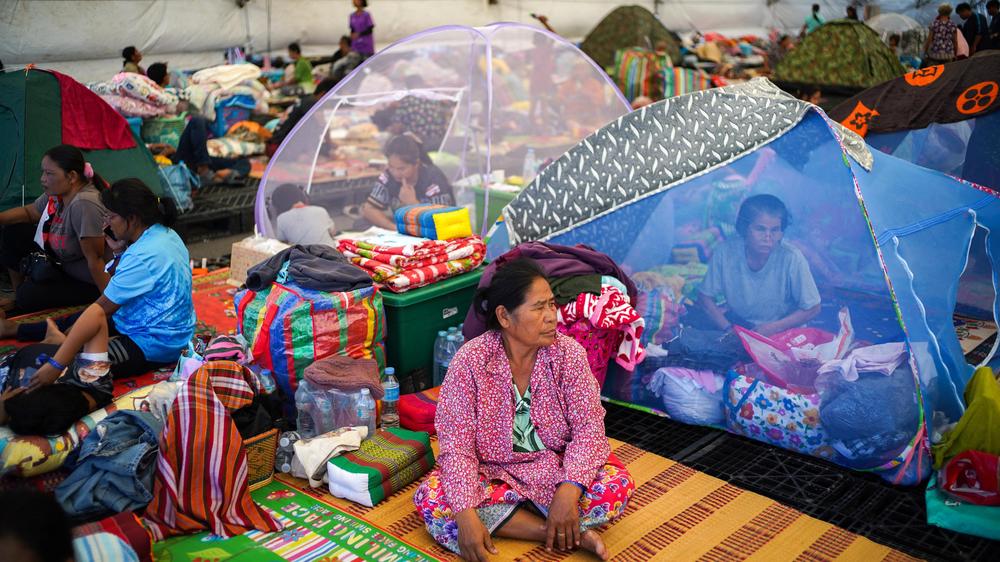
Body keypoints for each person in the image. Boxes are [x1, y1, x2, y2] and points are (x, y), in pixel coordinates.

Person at [413, 258, 635, 561]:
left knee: (615, 487)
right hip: (493, 473)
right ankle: (563, 532)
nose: (551, 317)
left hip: (554, 468)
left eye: (552, 305)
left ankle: (525, 518)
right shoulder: (471, 361)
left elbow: (590, 429)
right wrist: (465, 516)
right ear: (504, 316)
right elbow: (456, 446)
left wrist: (569, 491)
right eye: (539, 307)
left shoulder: (568, 354)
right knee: (435, 501)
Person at [0, 179, 194, 435]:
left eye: (112, 216)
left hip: (156, 342)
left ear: (132, 218)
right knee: (74, 323)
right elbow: (102, 306)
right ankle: (16, 329)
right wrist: (117, 252)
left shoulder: (144, 254)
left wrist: (59, 360)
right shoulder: (163, 233)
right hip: (143, 318)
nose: (107, 223)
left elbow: (100, 310)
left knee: (83, 367)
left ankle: (55, 342)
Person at [0, 145, 109, 313]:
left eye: (49, 174)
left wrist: (109, 306)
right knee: (13, 233)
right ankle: (19, 295)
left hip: (88, 282)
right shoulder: (58, 194)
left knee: (28, 296)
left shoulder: (84, 203)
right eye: (43, 172)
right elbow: (30, 213)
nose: (43, 179)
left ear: (71, 176)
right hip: (61, 263)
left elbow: (96, 261)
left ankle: (21, 300)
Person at [697, 194, 821, 336]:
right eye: (760, 229)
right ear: (744, 229)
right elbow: (705, 297)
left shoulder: (792, 257)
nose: (768, 237)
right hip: (739, 325)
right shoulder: (725, 253)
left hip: (784, 330)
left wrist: (774, 327)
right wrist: (728, 329)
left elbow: (813, 307)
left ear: (782, 233)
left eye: (775, 230)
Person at [362, 134, 455, 229]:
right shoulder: (388, 176)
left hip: (429, 231)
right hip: (403, 228)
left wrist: (413, 203)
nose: (395, 173)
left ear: (416, 164)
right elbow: (369, 209)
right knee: (361, 223)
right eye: (391, 167)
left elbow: (443, 221)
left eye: (402, 169)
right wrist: (394, 228)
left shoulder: (433, 180)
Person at [151, 116, 251, 184]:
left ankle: (226, 174)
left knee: (244, 161)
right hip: (176, 164)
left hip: (191, 159)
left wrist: (165, 149)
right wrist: (162, 155)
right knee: (197, 120)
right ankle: (205, 170)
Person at [268, 77, 338, 156]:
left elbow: (324, 125)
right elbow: (322, 124)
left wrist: (329, 142)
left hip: (276, 143)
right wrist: (328, 143)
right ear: (323, 94)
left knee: (323, 148)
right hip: (279, 148)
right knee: (321, 151)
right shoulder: (312, 103)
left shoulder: (307, 98)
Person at [271, 183, 336, 246]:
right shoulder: (321, 210)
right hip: (332, 254)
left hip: (305, 256)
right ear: (302, 196)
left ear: (279, 204)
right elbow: (333, 232)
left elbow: (282, 244)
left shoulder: (282, 219)